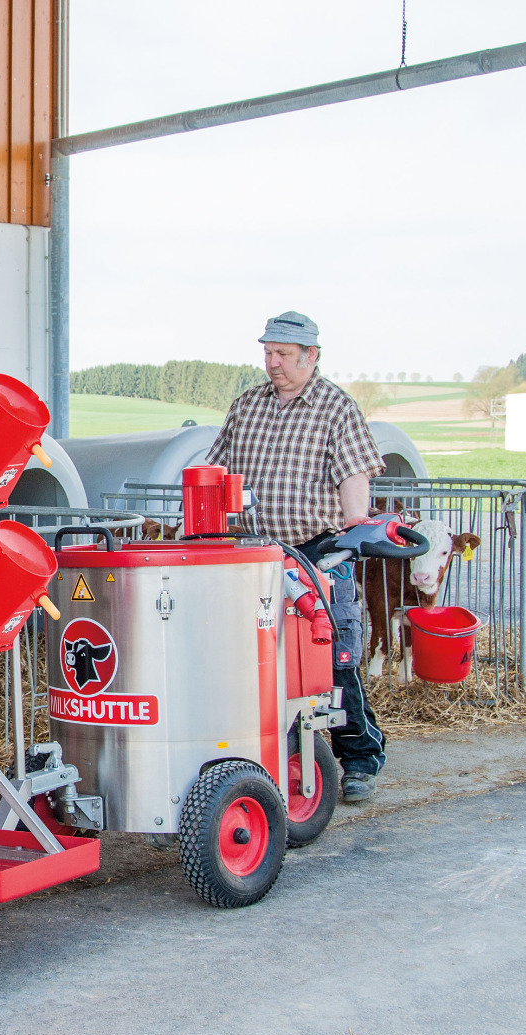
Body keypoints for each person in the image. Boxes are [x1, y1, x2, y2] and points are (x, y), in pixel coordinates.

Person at [206, 311, 386, 803]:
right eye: (268, 352)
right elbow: (216, 468)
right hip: (254, 554)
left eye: (283, 354)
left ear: (312, 357)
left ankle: (359, 759)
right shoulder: (246, 406)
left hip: (317, 551)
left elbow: (354, 476)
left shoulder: (336, 408)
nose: (273, 363)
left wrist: (352, 532)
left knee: (331, 656)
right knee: (258, 658)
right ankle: (269, 752)